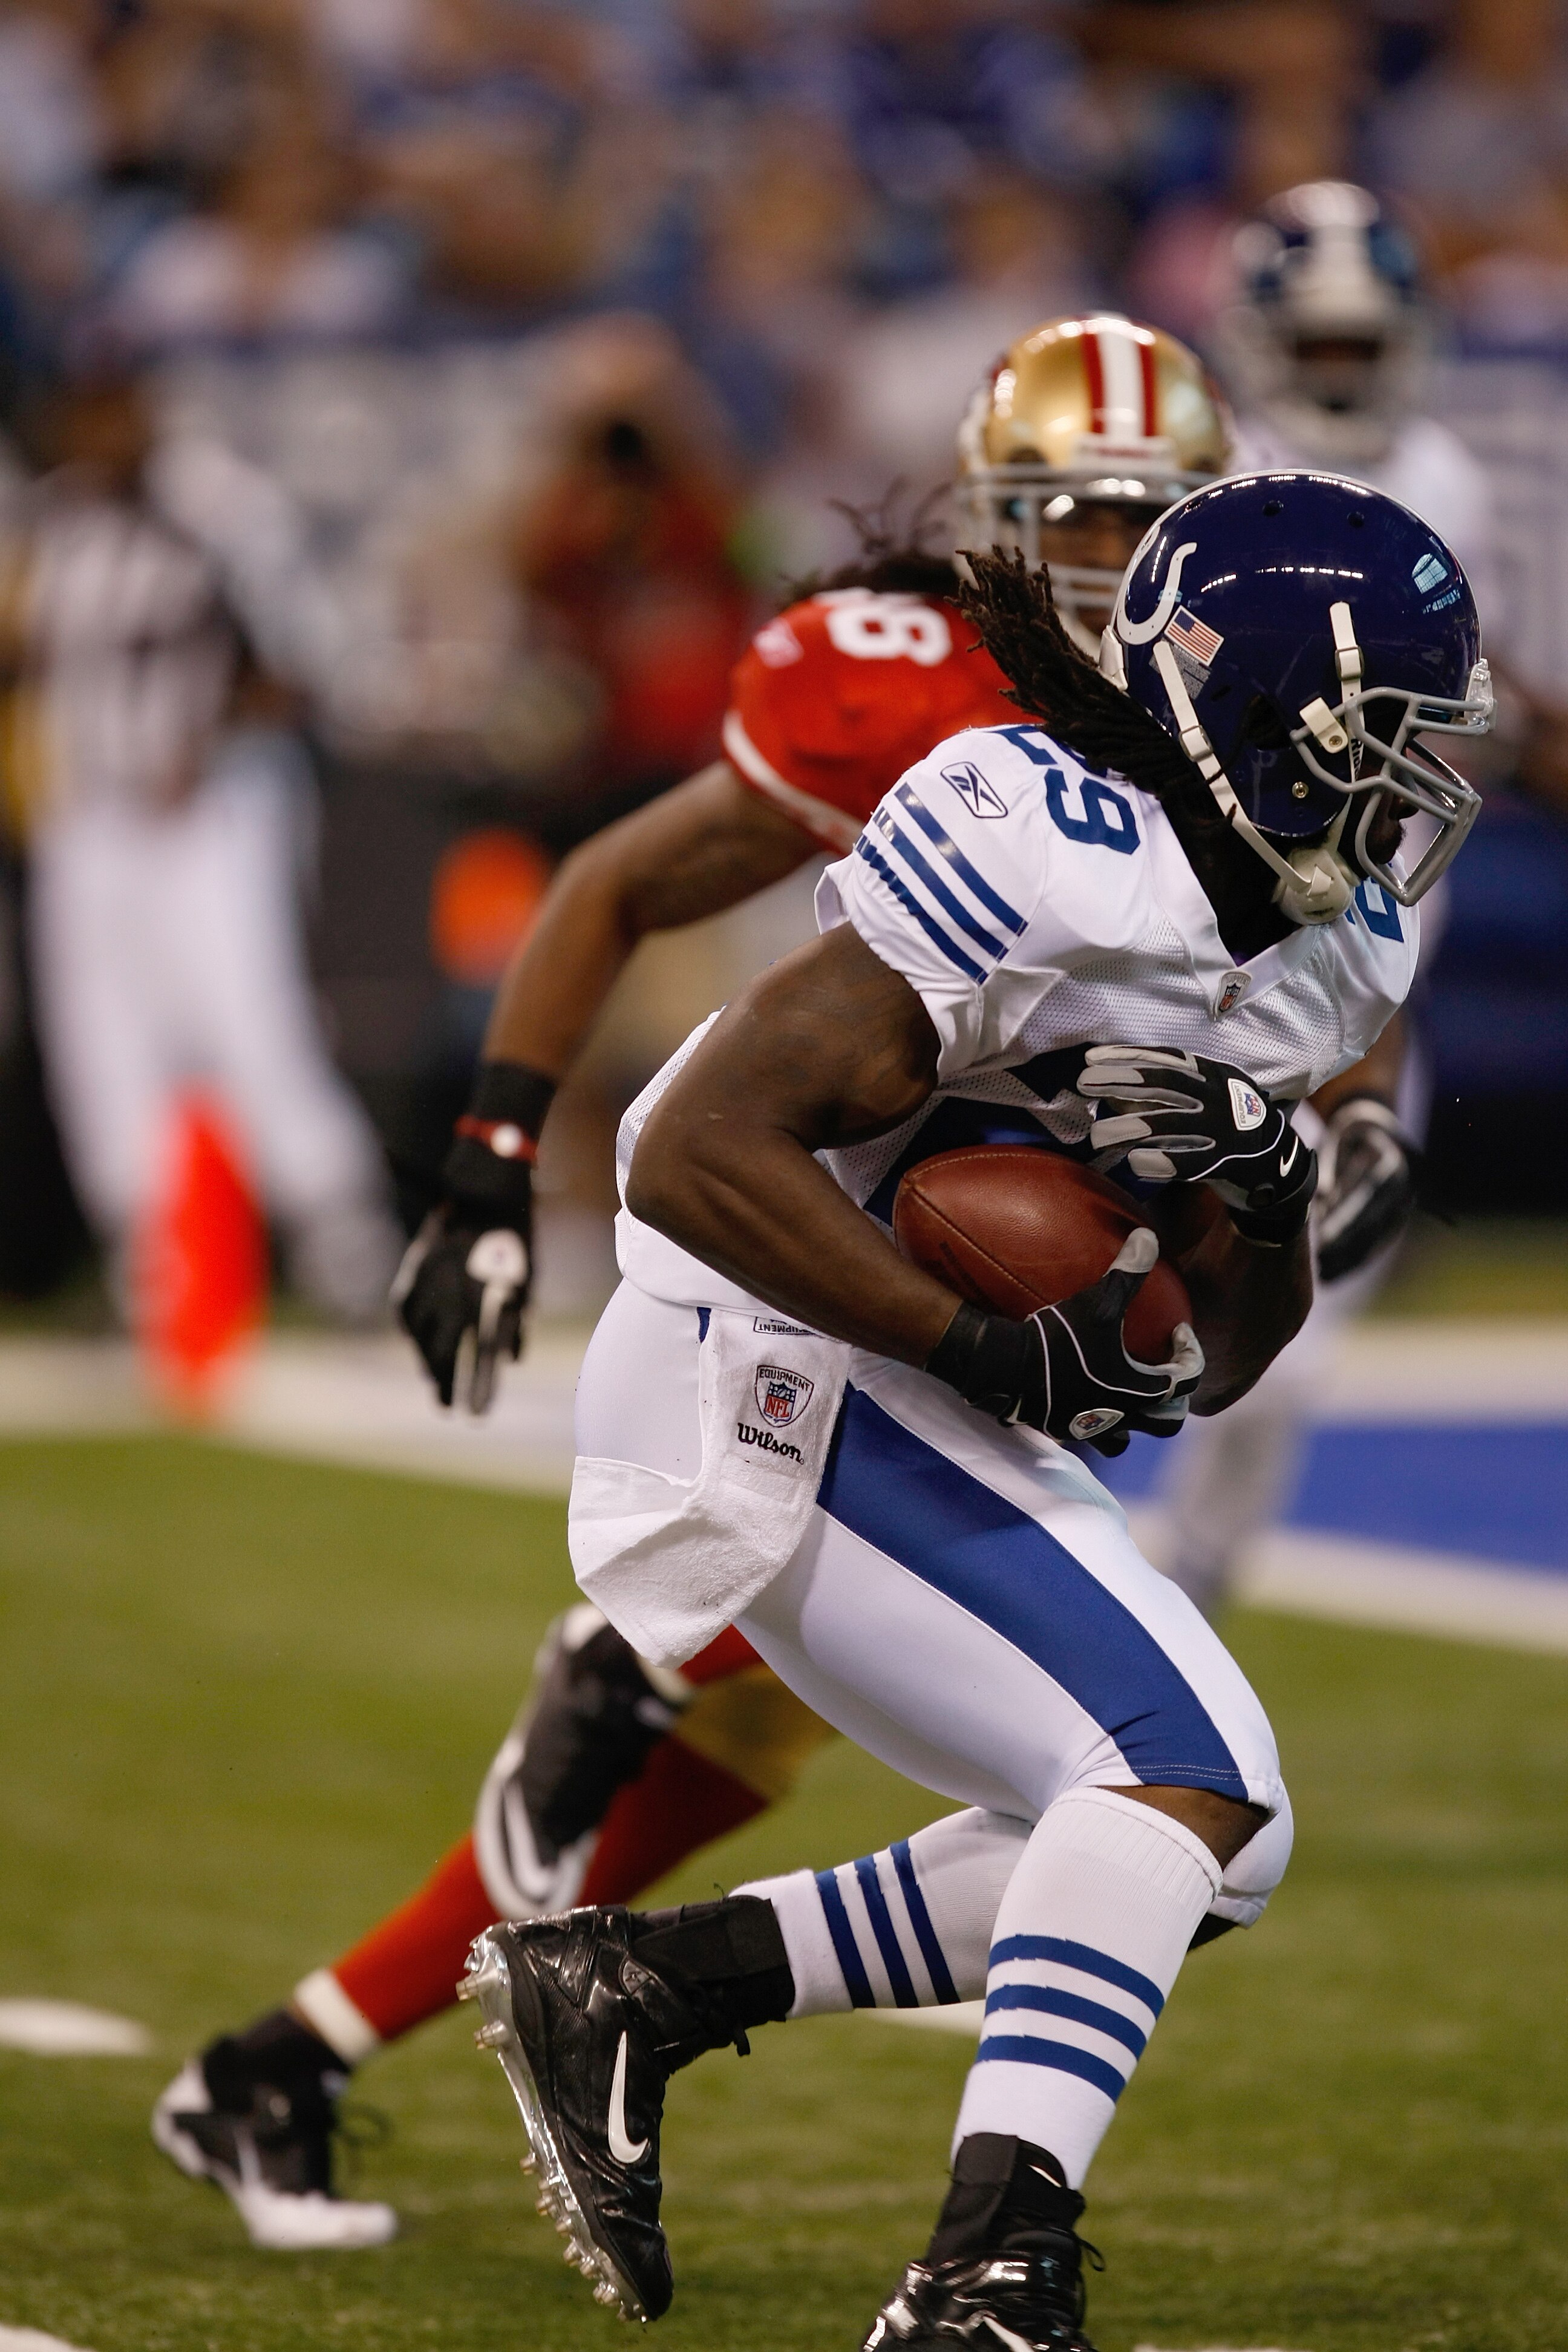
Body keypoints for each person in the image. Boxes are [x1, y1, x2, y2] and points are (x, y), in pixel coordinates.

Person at [151, 313, 1235, 2250]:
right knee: (1115, 1763)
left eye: (1147, 515)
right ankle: (625, 1665)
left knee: (736, 1768)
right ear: (1001, 513)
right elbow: (609, 888)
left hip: (967, 1277)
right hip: (810, 1269)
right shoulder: (911, 683)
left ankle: (288, 2061)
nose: (1103, 549)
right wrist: (489, 1174)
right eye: (1070, 508)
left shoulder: (1214, 724)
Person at [461, 469, 1489, 2349]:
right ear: (1261, 719)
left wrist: (1257, 1191)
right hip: (753, 1347)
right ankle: (985, 2276)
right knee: (1185, 1767)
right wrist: (987, 1345)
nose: (1413, 790)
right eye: (1385, 741)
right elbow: (689, 1149)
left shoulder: (1334, 944)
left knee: (1214, 1840)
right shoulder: (1041, 834)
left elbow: (1224, 1362)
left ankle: (646, 1986)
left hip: (905, 1377)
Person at [1159, 178, 1508, 1613]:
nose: (1345, 372)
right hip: (1205, 914)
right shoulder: (1210, 461)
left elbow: (1456, 719)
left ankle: (1198, 1574)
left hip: (1368, 926)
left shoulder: (1452, 476)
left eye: (1365, 346)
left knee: (1317, 1287)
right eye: (1325, 344)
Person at [7, 367, 400, 1325]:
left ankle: (339, 1236)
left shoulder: (221, 508)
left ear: (141, 409)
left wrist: (209, 740)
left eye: (104, 411)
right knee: (102, 1039)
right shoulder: (53, 520)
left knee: (247, 1017)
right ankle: (151, 1255)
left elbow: (301, 661)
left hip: (209, 811)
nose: (89, 434)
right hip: (85, 815)